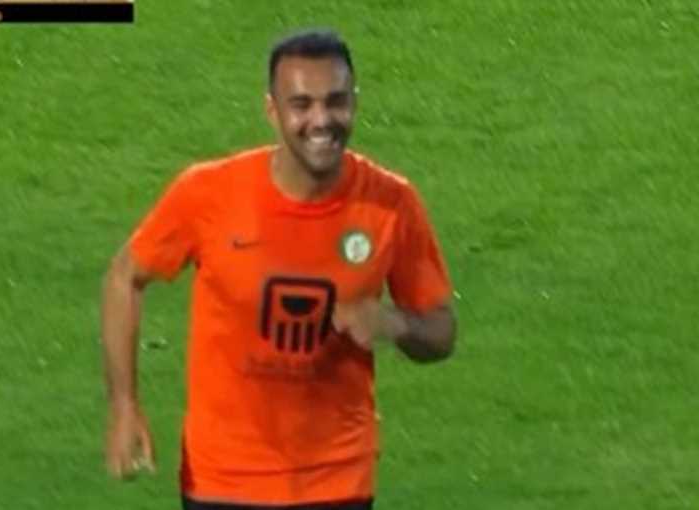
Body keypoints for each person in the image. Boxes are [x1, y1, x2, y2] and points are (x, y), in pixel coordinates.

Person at [101, 29, 458, 510]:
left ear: (354, 102)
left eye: (336, 102)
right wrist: (124, 405)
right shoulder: (208, 193)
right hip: (224, 479)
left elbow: (442, 331)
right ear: (272, 110)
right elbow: (125, 277)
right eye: (302, 104)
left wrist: (392, 323)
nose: (321, 120)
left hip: (337, 480)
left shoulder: (392, 204)